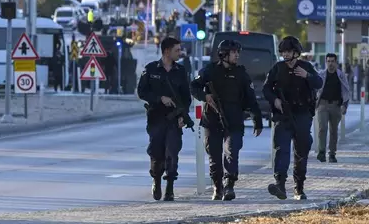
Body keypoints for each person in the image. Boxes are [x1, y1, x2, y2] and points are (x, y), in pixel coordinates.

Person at [191, 40, 263, 201]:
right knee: (214, 156)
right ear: (224, 54)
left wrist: (257, 120)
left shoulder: (241, 73)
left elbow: (250, 99)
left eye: (238, 52)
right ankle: (218, 187)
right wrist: (205, 96)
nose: (237, 55)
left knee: (232, 152)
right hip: (212, 119)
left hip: (234, 120)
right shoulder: (209, 71)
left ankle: (229, 185)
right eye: (233, 52)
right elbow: (194, 86)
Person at [263, 36, 323, 200]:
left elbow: (319, 82)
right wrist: (274, 100)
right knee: (281, 149)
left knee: (301, 151)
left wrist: (307, 76)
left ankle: (299, 187)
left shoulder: (306, 67)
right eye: (283, 52)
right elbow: (266, 88)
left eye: (288, 51)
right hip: (283, 116)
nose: (286, 55)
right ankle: (280, 184)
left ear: (296, 52)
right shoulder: (277, 68)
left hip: (302, 115)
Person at [137, 37, 193, 201]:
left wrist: (183, 115)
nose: (179, 53)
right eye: (177, 50)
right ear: (167, 51)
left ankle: (170, 188)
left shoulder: (181, 71)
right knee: (157, 153)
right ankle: (156, 180)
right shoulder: (151, 69)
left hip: (174, 120)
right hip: (156, 118)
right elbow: (142, 92)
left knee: (172, 152)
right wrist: (159, 98)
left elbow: (186, 97)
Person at [316, 53, 350, 163]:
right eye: (328, 61)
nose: (330, 64)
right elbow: (315, 88)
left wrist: (345, 105)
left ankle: (332, 154)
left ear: (336, 63)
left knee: (334, 131)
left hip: (336, 105)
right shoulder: (321, 75)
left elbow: (346, 91)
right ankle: (321, 152)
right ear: (326, 62)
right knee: (322, 127)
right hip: (323, 104)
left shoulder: (341, 75)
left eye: (332, 61)